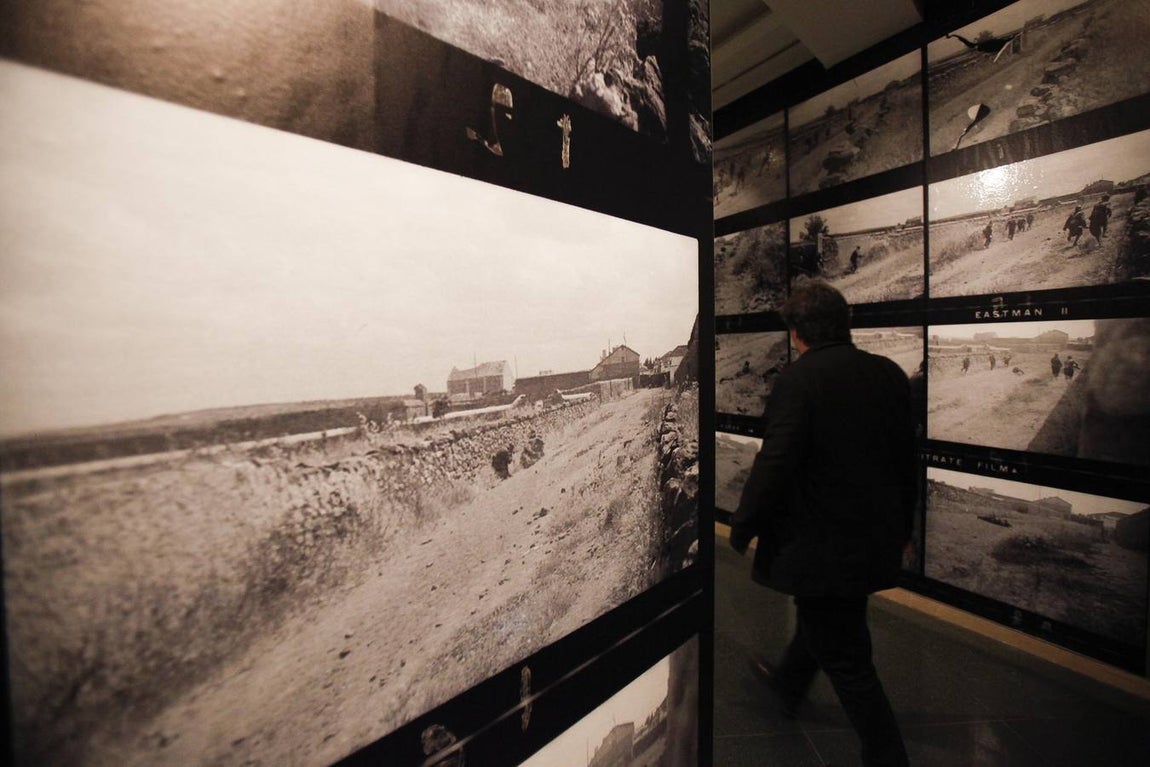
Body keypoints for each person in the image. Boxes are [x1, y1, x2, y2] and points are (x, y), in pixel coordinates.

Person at [730, 279, 914, 767]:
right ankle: (789, 683)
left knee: (848, 657)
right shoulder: (889, 374)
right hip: (869, 538)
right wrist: (905, 530)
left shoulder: (799, 380)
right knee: (828, 618)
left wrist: (744, 523)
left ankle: (887, 754)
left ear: (797, 332)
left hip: (821, 544)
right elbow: (905, 463)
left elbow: (776, 462)